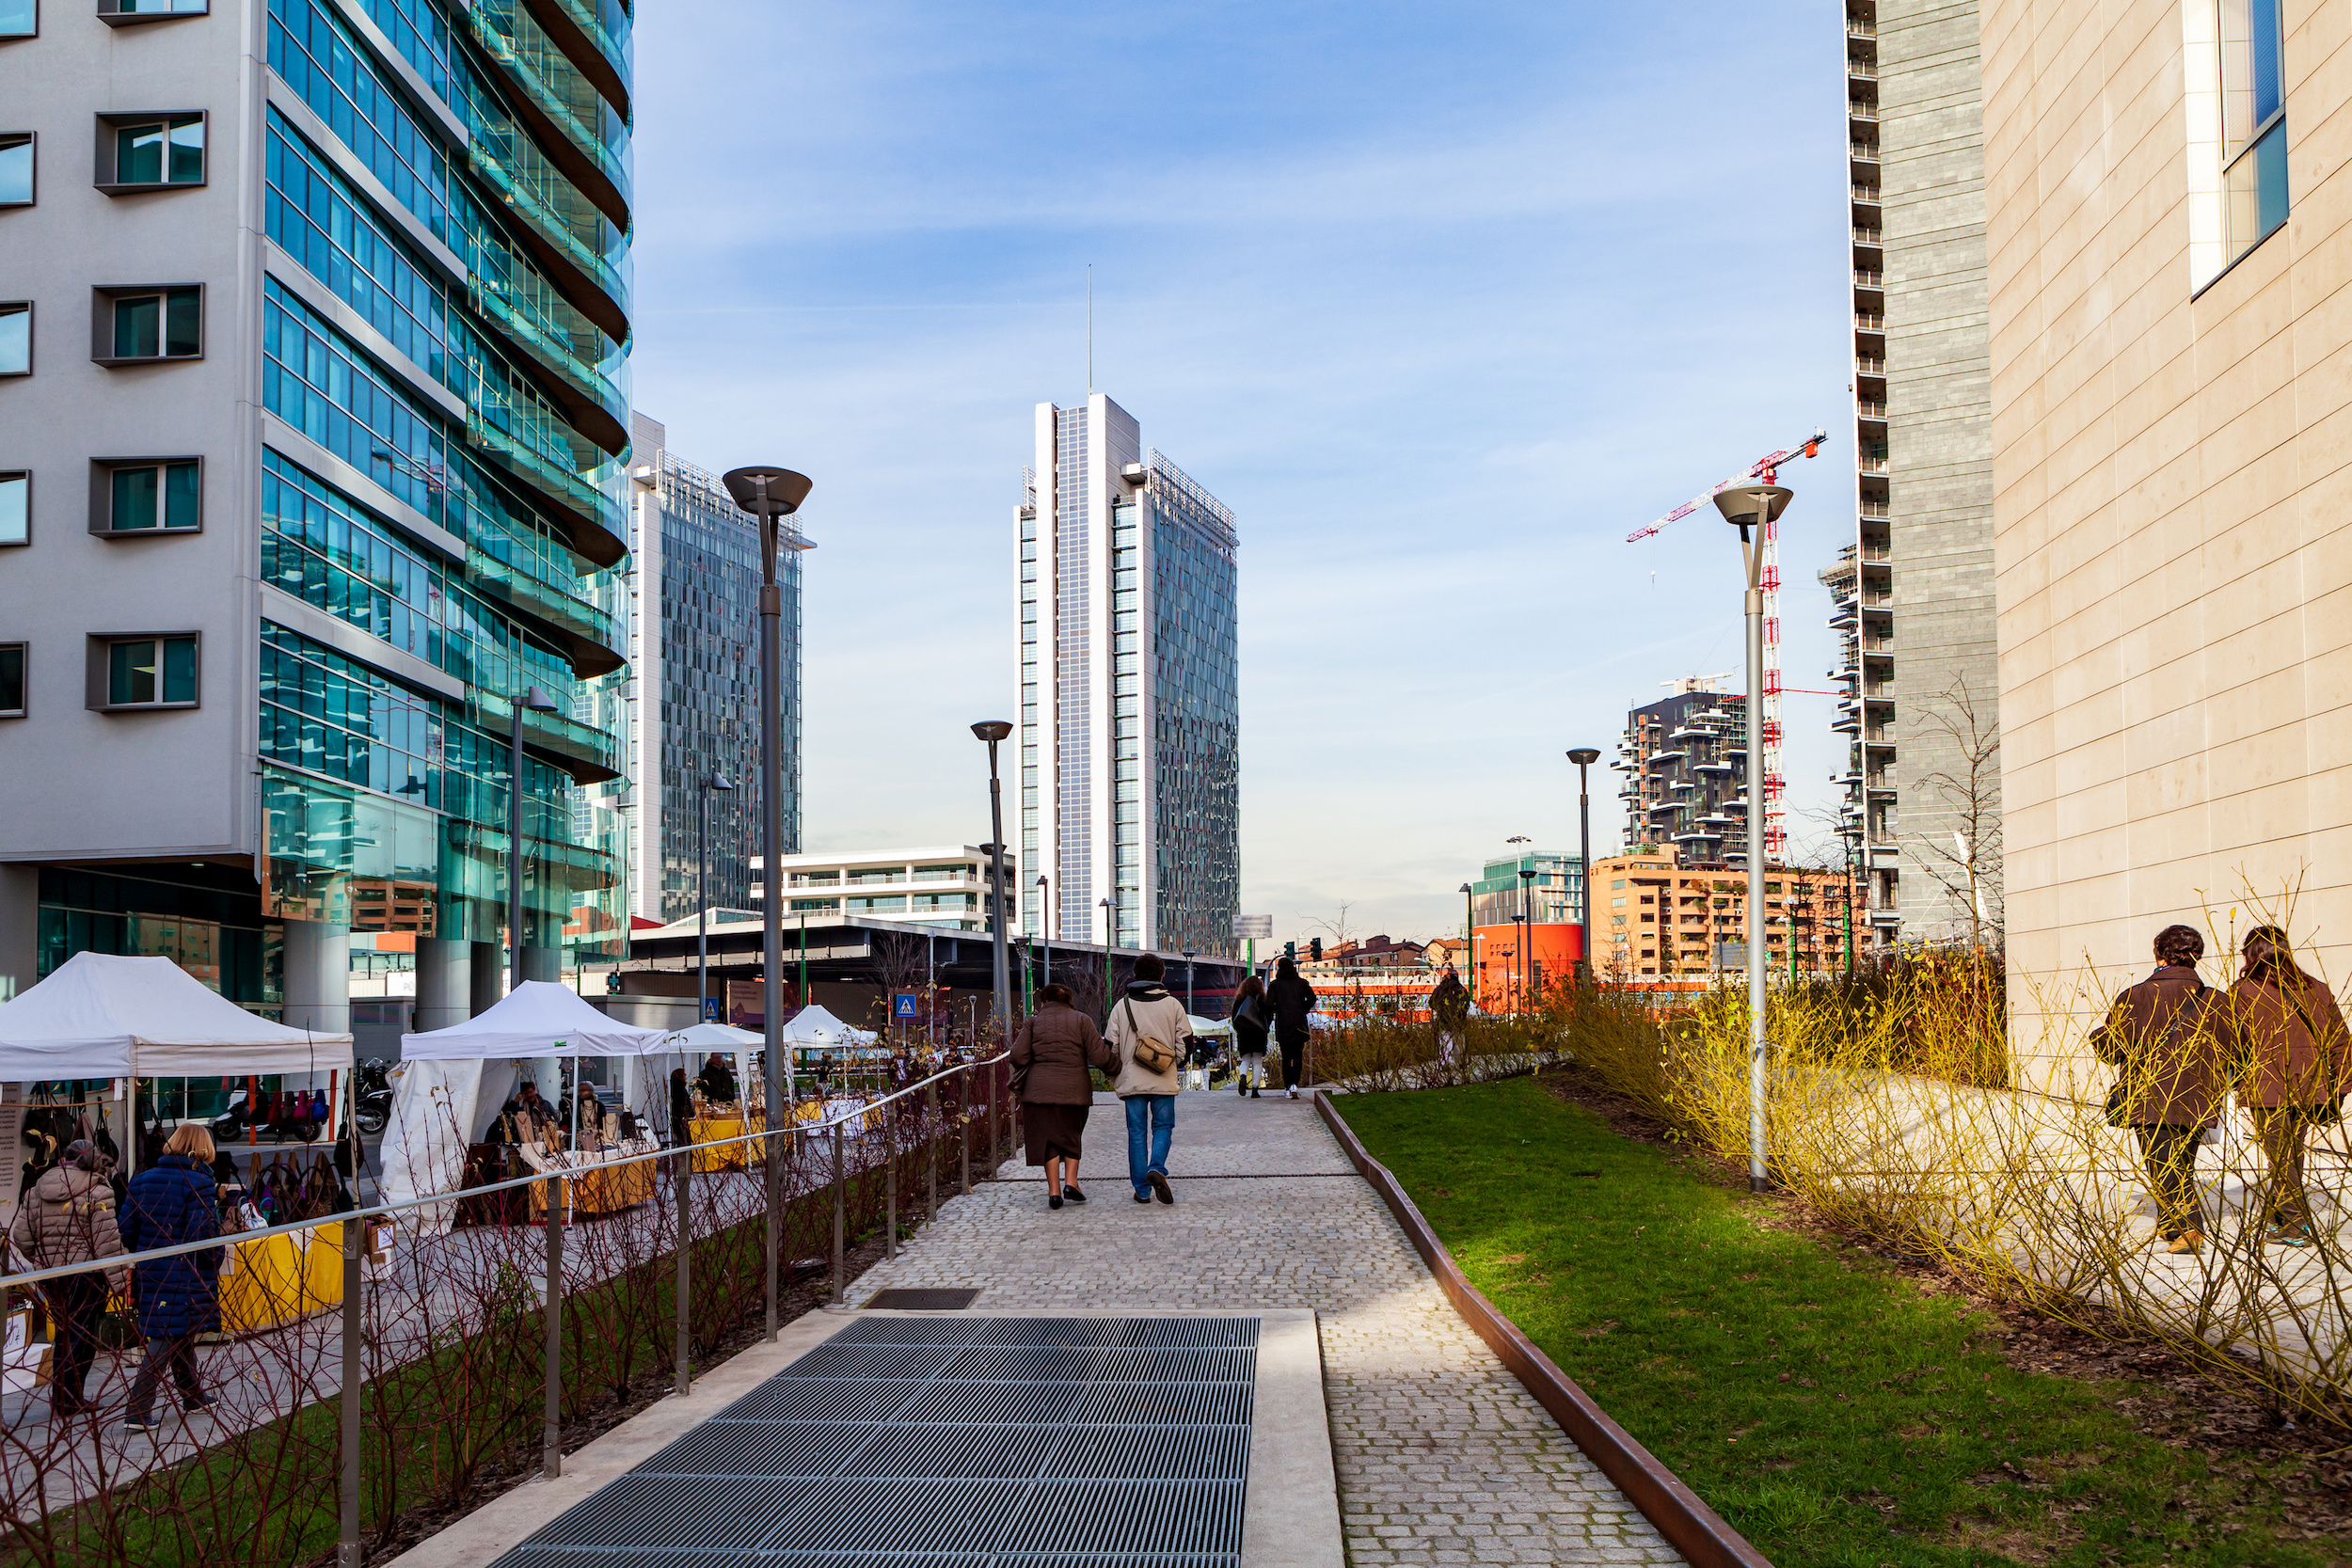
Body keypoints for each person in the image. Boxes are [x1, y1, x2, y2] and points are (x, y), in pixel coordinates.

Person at [2088, 924, 2226, 1254]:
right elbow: (2235, 1048)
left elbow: (2113, 1050)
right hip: (2199, 1096)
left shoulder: (2136, 996)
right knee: (2180, 1164)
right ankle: (2171, 1226)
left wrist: (2098, 1036)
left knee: (2163, 1166)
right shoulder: (2217, 1000)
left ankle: (2189, 1229)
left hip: (2150, 1095)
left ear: (2159, 955)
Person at [2219, 925, 2352, 1246]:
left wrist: (2235, 1078)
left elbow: (2232, 1044)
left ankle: (2295, 1226)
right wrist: (2340, 1085)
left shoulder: (2243, 992)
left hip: (2268, 1087)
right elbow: (2341, 1040)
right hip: (2310, 1085)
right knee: (2291, 1154)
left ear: (2251, 955)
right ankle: (2281, 1218)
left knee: (2281, 1157)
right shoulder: (2316, 988)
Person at [117, 1123, 226, 1434]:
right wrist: (215, 1259)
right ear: (203, 1149)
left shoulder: (142, 1180)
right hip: (184, 1269)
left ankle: (193, 1395)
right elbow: (202, 1236)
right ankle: (137, 1410)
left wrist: (149, 1250)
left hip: (151, 1267)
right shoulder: (199, 1183)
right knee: (165, 1336)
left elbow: (126, 1229)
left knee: (179, 1330)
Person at [8, 1138, 127, 1421]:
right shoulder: (98, 1190)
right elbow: (106, 1242)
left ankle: (64, 1397)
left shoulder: (37, 1190)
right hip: (86, 1273)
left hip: (51, 1274)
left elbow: (21, 1237)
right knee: (80, 1335)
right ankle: (69, 1399)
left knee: (64, 1332)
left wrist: (42, 1259)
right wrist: (120, 1280)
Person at [1010, 983, 1115, 1210]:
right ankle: (1071, 1182)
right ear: (1069, 1001)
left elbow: (1017, 1056)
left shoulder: (1033, 1023)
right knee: (1071, 1134)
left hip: (1039, 1092)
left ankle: (1054, 1191)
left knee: (1048, 1139)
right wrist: (1117, 1067)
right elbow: (1098, 1056)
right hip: (1074, 1090)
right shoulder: (1082, 1020)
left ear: (1044, 1002)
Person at [1104, 955, 1189, 1204]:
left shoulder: (1122, 1006)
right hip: (1163, 1079)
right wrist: (1173, 1063)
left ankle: (1142, 1191)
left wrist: (1116, 1073)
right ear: (1161, 975)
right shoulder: (1173, 1005)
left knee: (1137, 1134)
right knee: (1163, 1127)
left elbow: (1110, 1046)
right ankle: (1156, 1167)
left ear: (1135, 975)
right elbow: (1185, 1043)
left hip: (1132, 1081)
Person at [1265, 958, 1319, 1099]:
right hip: (1299, 1022)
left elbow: (1268, 1005)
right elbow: (1312, 998)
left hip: (1283, 1023)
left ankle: (1288, 1086)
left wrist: (1278, 1009)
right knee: (1297, 1055)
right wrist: (1303, 1009)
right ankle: (1295, 1084)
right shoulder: (1302, 983)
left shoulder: (1275, 985)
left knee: (1286, 1056)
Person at [1231, 976, 1271, 1099]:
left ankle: (1243, 1076)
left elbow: (1235, 1018)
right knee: (1257, 1062)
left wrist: (1239, 1030)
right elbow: (1268, 1017)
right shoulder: (1262, 1000)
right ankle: (1255, 1089)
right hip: (1259, 1033)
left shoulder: (1240, 1000)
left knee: (1245, 1059)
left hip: (1244, 1034)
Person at [1430, 967, 1471, 1066]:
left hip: (1443, 1021)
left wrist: (1441, 1010)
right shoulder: (1461, 990)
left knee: (1445, 1044)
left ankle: (1445, 1064)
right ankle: (1460, 1063)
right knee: (1459, 1044)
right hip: (1459, 1022)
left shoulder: (1439, 989)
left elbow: (1432, 1003)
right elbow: (1466, 1005)